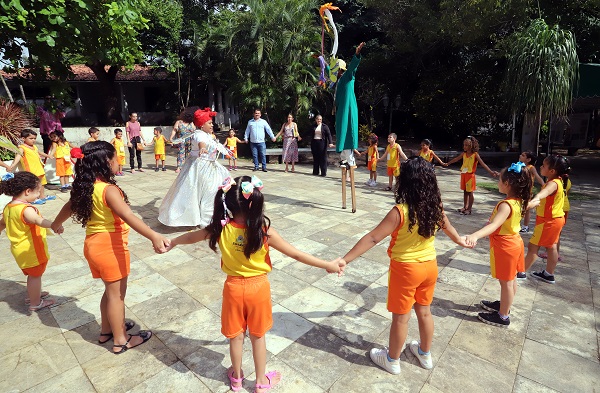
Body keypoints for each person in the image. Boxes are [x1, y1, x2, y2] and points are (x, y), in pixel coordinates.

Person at [164, 175, 344, 392]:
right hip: (258, 289)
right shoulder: (264, 231)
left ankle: (237, 378)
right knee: (258, 336)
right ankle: (261, 382)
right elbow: (296, 254)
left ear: (227, 203)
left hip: (233, 288)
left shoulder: (220, 228)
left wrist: (173, 242)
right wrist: (328, 264)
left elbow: (193, 237)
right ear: (256, 201)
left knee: (235, 336)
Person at [338, 157, 468, 374]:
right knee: (424, 312)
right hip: (430, 267)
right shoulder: (436, 207)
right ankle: (425, 355)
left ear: (405, 182)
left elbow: (372, 238)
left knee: (401, 318)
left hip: (406, 270)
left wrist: (345, 259)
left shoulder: (400, 211)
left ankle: (392, 359)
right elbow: (450, 229)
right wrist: (460, 241)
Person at [51, 141, 169, 353]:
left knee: (109, 292)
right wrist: (153, 235)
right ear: (107, 162)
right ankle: (120, 340)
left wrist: (55, 224)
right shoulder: (108, 190)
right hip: (110, 248)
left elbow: (67, 208)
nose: (119, 161)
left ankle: (107, 331)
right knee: (117, 296)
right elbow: (128, 215)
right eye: (116, 158)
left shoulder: (85, 187)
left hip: (92, 246)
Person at [464, 162, 532, 327]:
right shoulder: (518, 201)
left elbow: (494, 225)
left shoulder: (506, 205)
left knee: (506, 282)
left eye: (499, 180)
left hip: (506, 247)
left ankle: (503, 316)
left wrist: (475, 235)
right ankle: (504, 305)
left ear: (507, 184)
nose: (498, 183)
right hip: (514, 243)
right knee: (511, 280)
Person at [158, 108, 231, 227]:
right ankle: (206, 220)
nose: (212, 125)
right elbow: (201, 142)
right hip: (200, 168)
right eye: (209, 123)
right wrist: (202, 148)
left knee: (213, 191)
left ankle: (212, 217)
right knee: (205, 192)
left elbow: (213, 145)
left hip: (211, 166)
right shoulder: (198, 135)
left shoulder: (208, 135)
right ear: (202, 125)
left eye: (212, 123)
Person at [0, 172, 57, 311]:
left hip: (19, 249)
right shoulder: (26, 209)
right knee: (35, 275)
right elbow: (38, 220)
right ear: (27, 191)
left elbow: (1, 223)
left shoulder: (9, 207)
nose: (39, 195)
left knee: (33, 275)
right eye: (38, 192)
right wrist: (54, 225)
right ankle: (35, 302)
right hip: (31, 250)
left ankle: (34, 294)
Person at [523, 154, 570, 284]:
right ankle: (549, 274)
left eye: (543, 165)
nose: (541, 167)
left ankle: (520, 273)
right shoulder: (558, 181)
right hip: (555, 219)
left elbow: (544, 193)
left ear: (552, 171)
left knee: (533, 247)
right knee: (552, 246)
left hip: (548, 221)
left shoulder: (553, 183)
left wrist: (535, 199)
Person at [446, 136, 498, 215]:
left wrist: (490, 172)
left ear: (471, 146)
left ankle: (469, 209)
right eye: (464, 145)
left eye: (466, 145)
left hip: (470, 176)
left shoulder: (475, 155)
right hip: (464, 174)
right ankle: (465, 206)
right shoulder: (464, 153)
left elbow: (483, 164)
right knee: (465, 191)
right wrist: (448, 163)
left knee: (470, 192)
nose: (464, 147)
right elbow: (456, 159)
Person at [334, 42, 365, 168]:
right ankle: (343, 159)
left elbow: (353, 68)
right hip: (341, 110)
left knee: (347, 132)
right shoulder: (338, 81)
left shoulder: (347, 76)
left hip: (347, 109)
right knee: (341, 132)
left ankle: (350, 162)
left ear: (340, 70)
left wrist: (356, 54)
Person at [10, 129, 56, 205]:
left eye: (34, 138)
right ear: (23, 138)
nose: (33, 140)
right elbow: (18, 156)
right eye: (31, 138)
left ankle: (42, 196)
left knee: (42, 183)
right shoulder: (22, 147)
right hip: (31, 170)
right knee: (33, 185)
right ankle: (33, 199)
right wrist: (12, 165)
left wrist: (48, 155)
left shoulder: (34, 147)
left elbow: (39, 152)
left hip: (39, 168)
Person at [518, 151, 545, 233]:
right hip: (518, 190)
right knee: (518, 207)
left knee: (526, 209)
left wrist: (544, 185)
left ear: (528, 159)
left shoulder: (531, 167)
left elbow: (538, 177)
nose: (520, 156)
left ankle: (525, 226)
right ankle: (516, 224)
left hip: (526, 192)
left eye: (523, 155)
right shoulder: (519, 166)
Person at [169, 108, 197, 173]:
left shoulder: (191, 123)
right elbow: (174, 130)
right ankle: (179, 167)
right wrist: (171, 138)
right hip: (181, 141)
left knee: (190, 153)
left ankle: (189, 166)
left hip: (190, 141)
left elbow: (194, 131)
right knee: (181, 153)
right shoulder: (179, 122)